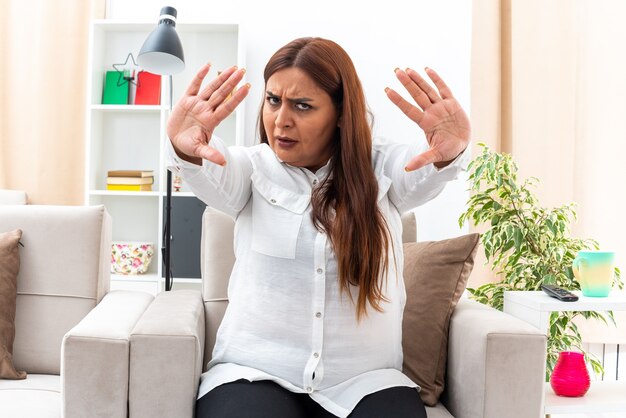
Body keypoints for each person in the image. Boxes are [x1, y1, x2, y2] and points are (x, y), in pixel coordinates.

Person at [166, 37, 470, 418]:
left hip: (366, 381)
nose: (281, 120)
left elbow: (419, 172)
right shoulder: (253, 169)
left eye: (303, 106)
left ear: (341, 113)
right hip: (256, 373)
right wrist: (184, 151)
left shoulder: (381, 168)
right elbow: (213, 172)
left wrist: (451, 150)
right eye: (274, 100)